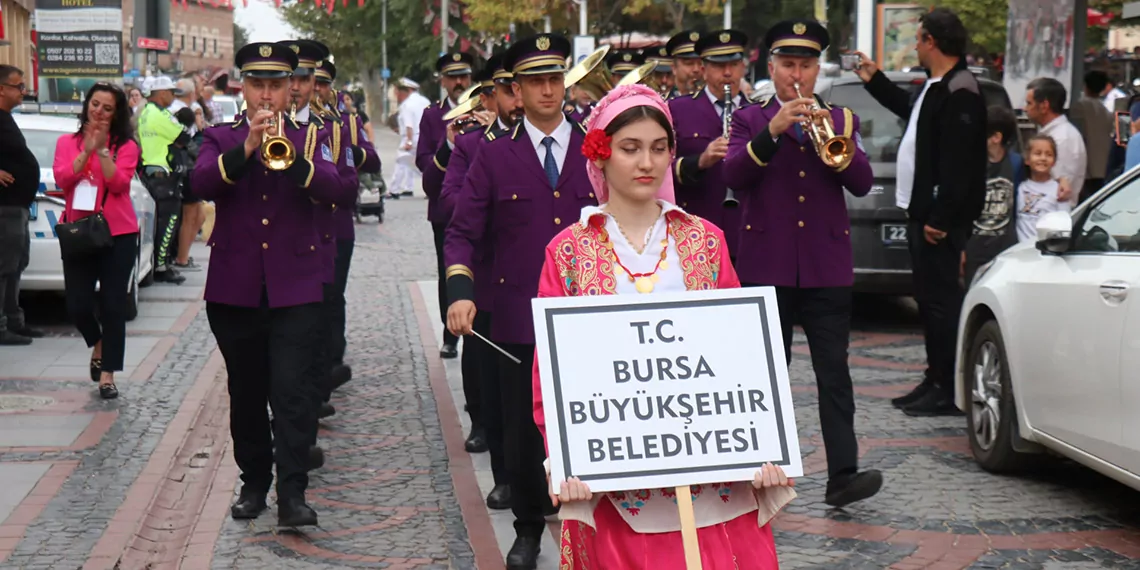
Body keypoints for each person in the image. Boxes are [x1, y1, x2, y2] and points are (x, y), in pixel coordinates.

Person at [532, 83, 796, 570]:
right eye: (630, 149)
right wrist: (566, 457)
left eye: (658, 148)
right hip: (619, 489)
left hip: (713, 482)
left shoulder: (706, 241)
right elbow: (551, 372)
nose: (646, 163)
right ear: (602, 154)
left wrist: (765, 443)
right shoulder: (568, 252)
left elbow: (743, 355)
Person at [445, 33, 596, 569]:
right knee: (524, 432)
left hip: (589, 313)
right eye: (536, 81)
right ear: (516, 89)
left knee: (592, 420)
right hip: (517, 317)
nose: (549, 90)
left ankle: (598, 521)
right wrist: (461, 293)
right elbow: (462, 231)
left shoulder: (596, 145)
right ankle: (529, 528)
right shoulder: (493, 154)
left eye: (556, 78)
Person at [723, 19, 882, 508]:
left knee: (834, 374)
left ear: (818, 69)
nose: (797, 74)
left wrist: (836, 149)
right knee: (766, 376)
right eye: (788, 64)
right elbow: (733, 175)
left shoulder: (840, 119)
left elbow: (861, 182)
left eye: (806, 65)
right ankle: (762, 469)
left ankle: (843, 475)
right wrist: (772, 132)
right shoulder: (751, 119)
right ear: (771, 67)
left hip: (824, 268)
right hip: (766, 265)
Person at [192, 41, 350, 527]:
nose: (267, 94)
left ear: (289, 88)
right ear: (243, 87)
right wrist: (247, 150)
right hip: (236, 289)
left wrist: (296, 162)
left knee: (292, 392)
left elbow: (342, 190)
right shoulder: (221, 136)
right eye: (257, 84)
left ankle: (293, 493)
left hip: (297, 287)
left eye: (276, 85)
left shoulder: (316, 135)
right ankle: (254, 482)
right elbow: (199, 185)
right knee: (247, 391)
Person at [852, 7, 987, 417]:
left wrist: (940, 220)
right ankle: (933, 378)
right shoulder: (936, 85)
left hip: (937, 223)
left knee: (942, 305)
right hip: (919, 214)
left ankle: (947, 387)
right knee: (928, 303)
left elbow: (959, 167)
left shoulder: (961, 90)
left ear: (932, 42)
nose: (914, 44)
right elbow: (908, 113)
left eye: (918, 38)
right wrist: (873, 78)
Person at [437, 52, 516, 509]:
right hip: (487, 274)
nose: (513, 99)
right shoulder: (473, 144)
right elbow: (449, 207)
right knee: (492, 378)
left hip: (542, 278)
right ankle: (503, 469)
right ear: (494, 94)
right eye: (504, 90)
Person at [52, 83, 141, 400]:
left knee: (114, 305)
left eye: (107, 107)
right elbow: (63, 179)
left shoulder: (127, 146)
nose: (99, 111)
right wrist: (87, 149)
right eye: (95, 104)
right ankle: (98, 342)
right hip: (80, 231)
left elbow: (119, 184)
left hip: (118, 233)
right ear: (86, 105)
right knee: (77, 305)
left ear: (117, 114)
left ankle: (108, 374)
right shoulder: (67, 142)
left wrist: (103, 150)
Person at [428, 55, 498, 454]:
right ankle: (481, 421)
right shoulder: (469, 141)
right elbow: (444, 196)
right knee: (480, 348)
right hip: (479, 257)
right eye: (490, 94)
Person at [314, 58, 381, 401]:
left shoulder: (347, 122)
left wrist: (347, 151)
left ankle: (330, 362)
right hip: (302, 230)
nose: (317, 89)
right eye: (311, 81)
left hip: (337, 226)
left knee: (331, 297)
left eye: (323, 83)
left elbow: (373, 161)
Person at [668, 29, 749, 263]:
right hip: (695, 235)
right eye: (717, 66)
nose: (727, 73)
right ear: (703, 70)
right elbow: (661, 171)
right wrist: (701, 161)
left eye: (734, 65)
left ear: (743, 67)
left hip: (746, 234)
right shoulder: (677, 110)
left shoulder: (757, 113)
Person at [420, 53, 475, 360]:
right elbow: (422, 160)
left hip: (481, 205)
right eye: (453, 77)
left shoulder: (483, 108)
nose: (459, 83)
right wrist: (449, 145)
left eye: (464, 76)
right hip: (445, 208)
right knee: (448, 271)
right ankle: (450, 333)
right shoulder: (432, 115)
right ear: (442, 81)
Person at [0, 64, 44, 345]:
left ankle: (14, 320)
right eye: (19, 86)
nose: (23, 92)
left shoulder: (7, 118)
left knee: (16, 264)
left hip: (18, 206)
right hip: (4, 207)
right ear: (2, 88)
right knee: (3, 267)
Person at [962, 105, 1022, 286]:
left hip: (1005, 249)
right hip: (975, 248)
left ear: (996, 137)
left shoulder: (1016, 164)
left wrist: (1063, 181)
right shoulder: (970, 164)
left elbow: (1039, 183)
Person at [136, 76, 187, 285]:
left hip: (150, 173)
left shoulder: (145, 112)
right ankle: (161, 266)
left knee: (157, 222)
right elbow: (184, 138)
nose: (173, 96)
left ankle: (156, 263)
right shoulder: (160, 115)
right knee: (169, 221)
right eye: (172, 92)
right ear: (161, 93)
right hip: (163, 176)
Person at [1024, 78, 1087, 207]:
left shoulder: (1063, 138)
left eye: (1029, 103)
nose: (1025, 109)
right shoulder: (1055, 134)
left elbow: (1058, 186)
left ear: (1044, 106)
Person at [1016, 135, 1070, 243]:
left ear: (1054, 161)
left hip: (1045, 250)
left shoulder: (1059, 190)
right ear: (1027, 159)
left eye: (1049, 154)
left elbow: (1065, 225)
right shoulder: (1020, 187)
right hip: (1020, 250)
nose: (1043, 158)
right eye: (1037, 153)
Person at [1072, 71, 1114, 201]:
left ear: (1085, 86)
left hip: (1086, 170)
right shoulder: (1105, 111)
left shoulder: (1079, 106)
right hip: (1102, 168)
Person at [392, 78, 429, 198]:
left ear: (407, 91)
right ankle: (409, 187)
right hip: (425, 136)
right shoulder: (425, 101)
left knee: (401, 160)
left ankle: (394, 190)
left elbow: (409, 125)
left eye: (398, 92)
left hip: (411, 136)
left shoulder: (407, 104)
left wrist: (408, 141)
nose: (397, 96)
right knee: (416, 163)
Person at [665, 30, 704, 99]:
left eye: (701, 63)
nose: (696, 69)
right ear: (674, 68)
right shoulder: (664, 104)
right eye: (689, 64)